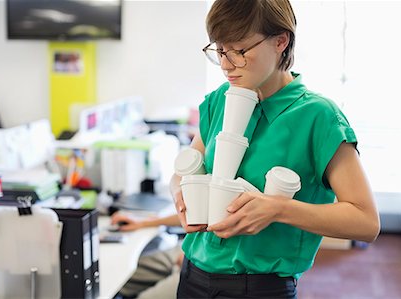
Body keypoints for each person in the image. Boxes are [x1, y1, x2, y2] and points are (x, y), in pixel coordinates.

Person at [170, 1, 380, 298]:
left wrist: (278, 209)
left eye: (240, 51)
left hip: (259, 288)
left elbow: (366, 222)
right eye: (219, 50)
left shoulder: (318, 116)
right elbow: (189, 168)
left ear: (281, 41)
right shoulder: (219, 99)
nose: (227, 64)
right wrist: (180, 193)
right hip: (192, 278)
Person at [111, 213, 184, 299]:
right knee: (126, 275)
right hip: (188, 250)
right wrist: (144, 222)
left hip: (199, 265)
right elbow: (191, 216)